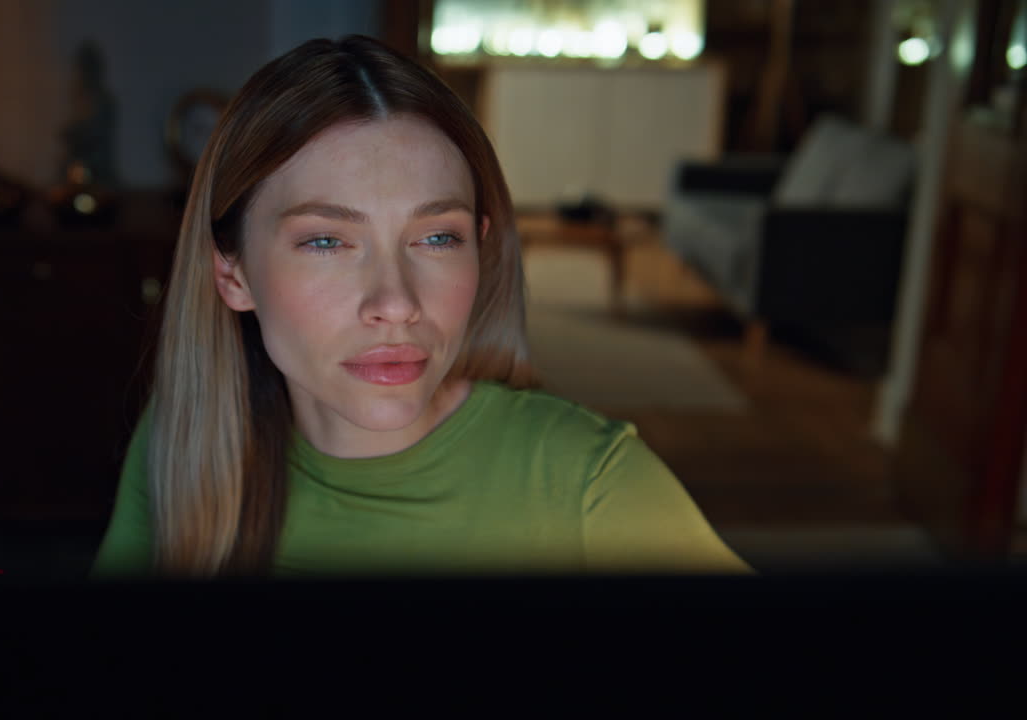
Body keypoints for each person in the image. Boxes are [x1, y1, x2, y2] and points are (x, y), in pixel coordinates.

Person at [91, 35, 752, 579]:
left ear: (481, 249)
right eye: (327, 241)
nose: (396, 304)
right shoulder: (186, 442)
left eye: (436, 238)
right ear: (231, 274)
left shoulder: (592, 488)